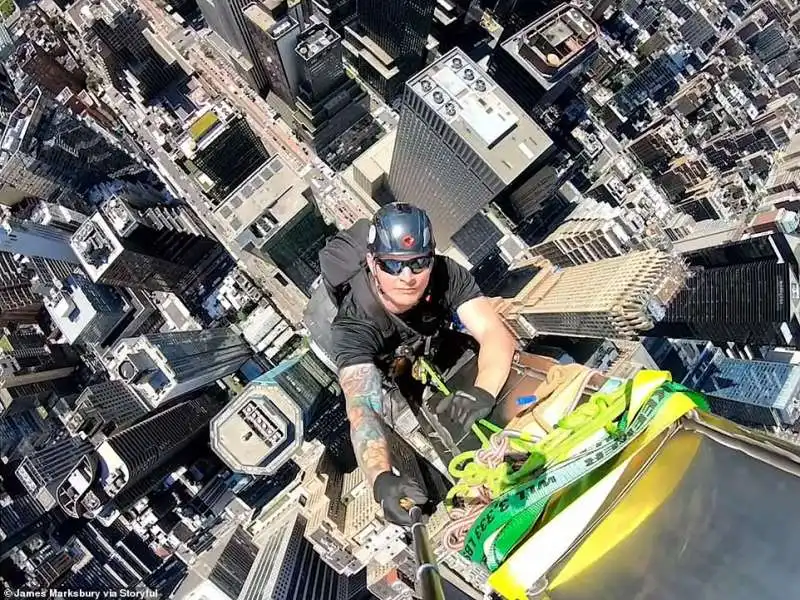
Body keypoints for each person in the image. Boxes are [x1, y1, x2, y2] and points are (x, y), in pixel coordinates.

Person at [322, 203, 517, 526]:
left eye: (418, 263)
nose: (408, 277)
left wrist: (484, 390)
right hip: (388, 359)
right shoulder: (353, 326)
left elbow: (492, 330)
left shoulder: (446, 274)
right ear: (372, 263)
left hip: (432, 338)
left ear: (432, 257)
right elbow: (363, 409)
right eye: (393, 266)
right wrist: (381, 480)